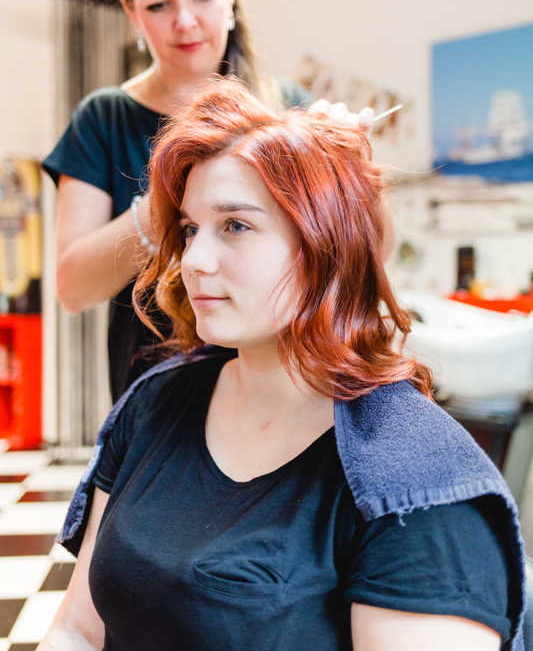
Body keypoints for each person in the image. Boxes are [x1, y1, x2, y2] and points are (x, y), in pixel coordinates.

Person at [39, 79, 524, 651]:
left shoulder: (417, 487)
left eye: (236, 226)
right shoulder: (153, 403)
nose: (192, 260)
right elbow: (76, 628)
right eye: (191, 229)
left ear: (327, 243)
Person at [43, 0, 343, 402]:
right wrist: (166, 203)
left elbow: (351, 254)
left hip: (286, 389)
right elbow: (73, 288)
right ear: (132, 14)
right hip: (158, 397)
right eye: (158, 4)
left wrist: (352, 165)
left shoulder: (287, 109)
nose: (184, 21)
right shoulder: (104, 119)